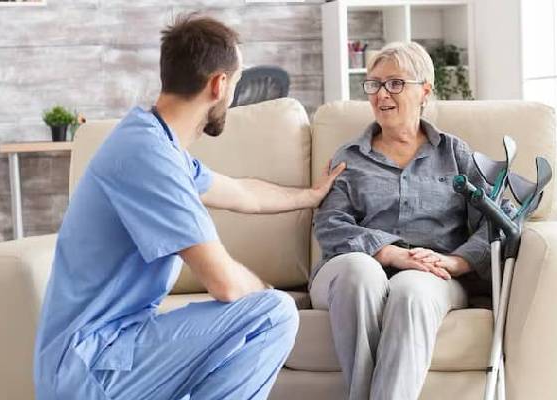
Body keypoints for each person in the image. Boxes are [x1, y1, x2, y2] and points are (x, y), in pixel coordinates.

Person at [33, 14, 345, 400]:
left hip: (117, 349)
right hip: (93, 364)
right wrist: (262, 291)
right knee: (274, 312)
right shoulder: (147, 156)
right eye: (237, 82)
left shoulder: (156, 143)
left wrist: (309, 197)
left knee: (261, 315)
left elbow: (242, 193)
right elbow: (226, 285)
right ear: (219, 84)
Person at [311, 42, 490, 400]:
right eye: (374, 84)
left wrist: (455, 262)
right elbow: (331, 224)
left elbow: (494, 222)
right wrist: (391, 254)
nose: (381, 95)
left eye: (395, 83)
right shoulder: (350, 157)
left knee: (411, 291)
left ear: (424, 89)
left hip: (432, 275)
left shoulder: (455, 154)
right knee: (359, 273)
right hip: (352, 269)